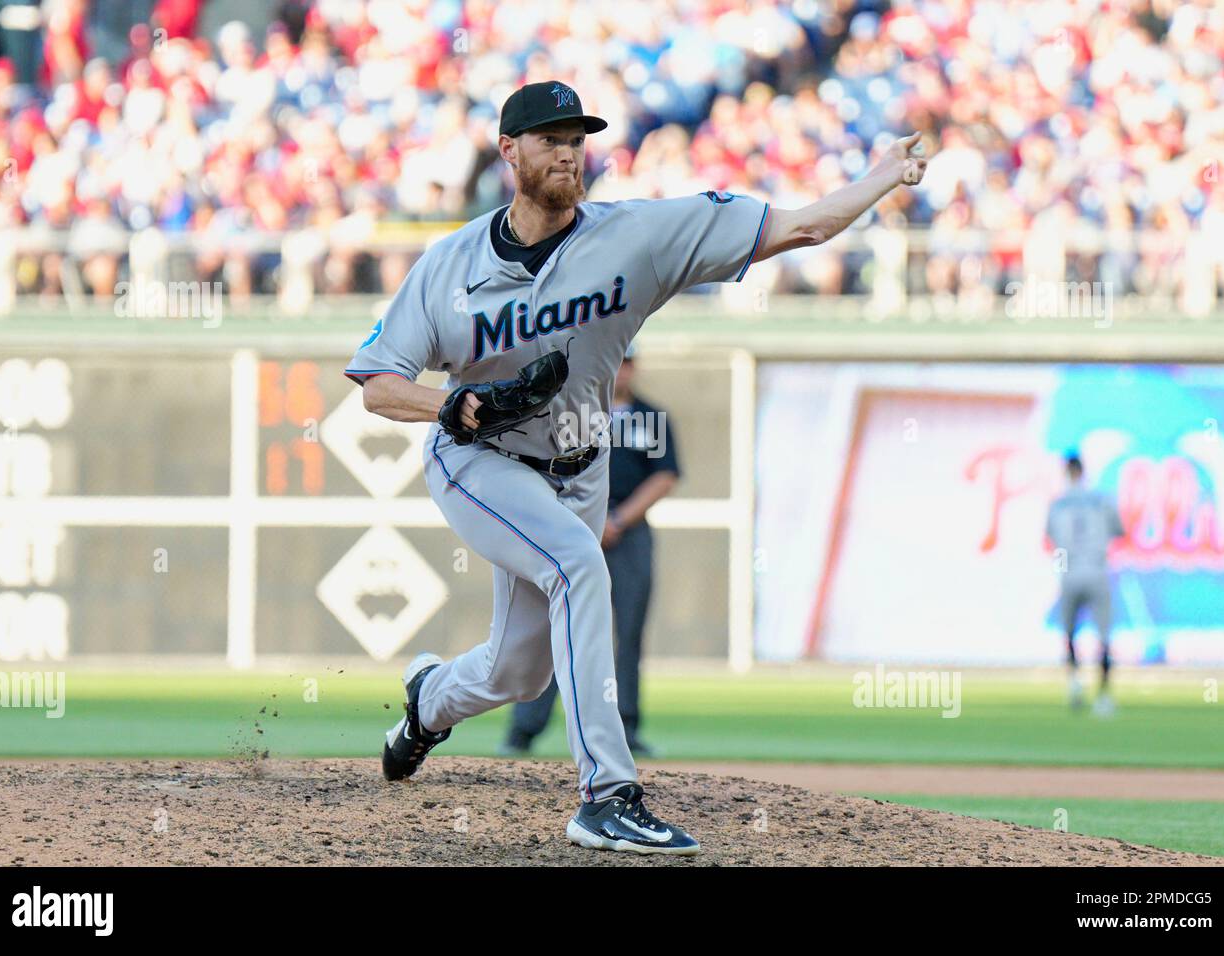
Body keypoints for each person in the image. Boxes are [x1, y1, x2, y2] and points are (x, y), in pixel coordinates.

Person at [347, 80, 929, 855]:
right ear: (508, 150)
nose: (566, 150)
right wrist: (451, 408)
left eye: (576, 137)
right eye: (549, 136)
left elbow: (801, 228)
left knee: (517, 673)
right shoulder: (450, 263)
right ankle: (607, 794)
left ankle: (425, 705)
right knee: (580, 566)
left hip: (579, 472)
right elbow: (378, 385)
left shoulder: (640, 236)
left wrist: (882, 174)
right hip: (479, 460)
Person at [499, 344, 680, 758]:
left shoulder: (649, 417)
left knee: (627, 632)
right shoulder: (574, 414)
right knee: (552, 626)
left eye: (629, 362)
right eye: (616, 361)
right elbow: (545, 468)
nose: (622, 370)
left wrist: (617, 520)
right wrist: (582, 520)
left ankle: (626, 728)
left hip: (626, 532)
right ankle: (525, 728)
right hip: (573, 525)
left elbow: (664, 476)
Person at [1045, 453, 1124, 716]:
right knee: (1103, 636)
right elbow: (1119, 531)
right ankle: (1103, 697)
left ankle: (1075, 684)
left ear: (1067, 471)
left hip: (1069, 573)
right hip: (1097, 571)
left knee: (1069, 633)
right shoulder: (1101, 500)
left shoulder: (1058, 504)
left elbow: (1051, 538)